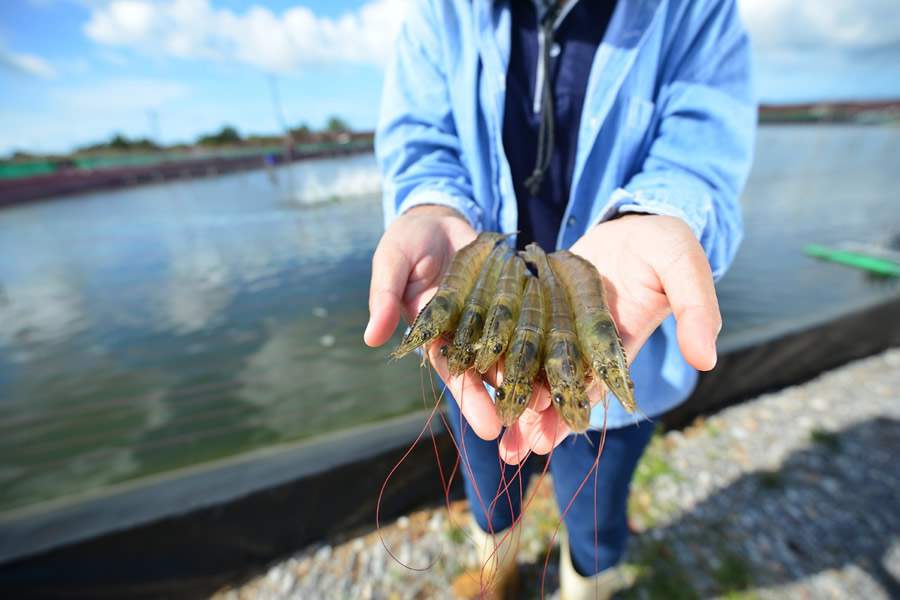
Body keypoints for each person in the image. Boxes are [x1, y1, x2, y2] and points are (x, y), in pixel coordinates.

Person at [365, 0, 755, 597]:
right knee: (487, 484)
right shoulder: (441, 14)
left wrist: (656, 212)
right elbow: (422, 141)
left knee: (595, 512)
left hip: (633, 348)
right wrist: (429, 203)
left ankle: (585, 584)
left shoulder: (695, 11)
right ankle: (497, 572)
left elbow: (701, 149)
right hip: (482, 370)